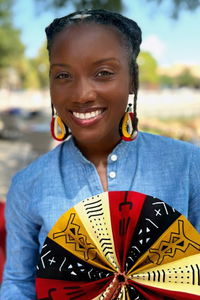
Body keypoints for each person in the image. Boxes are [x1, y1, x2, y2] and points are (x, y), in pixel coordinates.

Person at [1, 9, 200, 300]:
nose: (82, 94)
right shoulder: (27, 185)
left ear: (132, 79)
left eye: (103, 73)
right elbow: (18, 284)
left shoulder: (188, 166)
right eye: (63, 75)